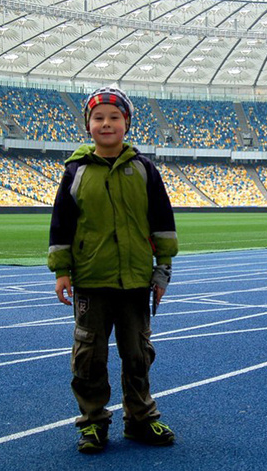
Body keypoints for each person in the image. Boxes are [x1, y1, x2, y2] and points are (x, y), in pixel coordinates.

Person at [48, 86, 178, 453]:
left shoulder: (144, 169)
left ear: (127, 123)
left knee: (137, 353)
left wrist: (162, 269)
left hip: (136, 279)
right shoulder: (75, 171)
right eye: (98, 117)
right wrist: (61, 271)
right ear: (88, 125)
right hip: (91, 279)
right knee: (89, 356)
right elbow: (61, 225)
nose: (106, 124)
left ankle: (141, 419)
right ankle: (92, 423)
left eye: (114, 117)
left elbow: (162, 221)